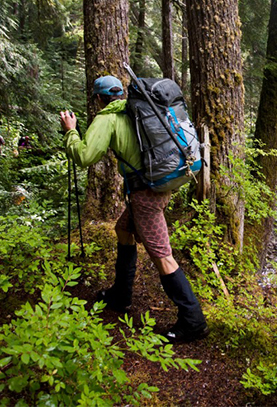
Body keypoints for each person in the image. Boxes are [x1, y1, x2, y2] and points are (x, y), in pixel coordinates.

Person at [59, 75, 208, 344]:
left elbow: (84, 156)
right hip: (159, 186)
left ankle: (193, 320)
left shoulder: (107, 119)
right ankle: (121, 295)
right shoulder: (135, 111)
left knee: (162, 256)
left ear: (99, 99)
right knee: (123, 229)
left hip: (146, 196)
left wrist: (71, 130)